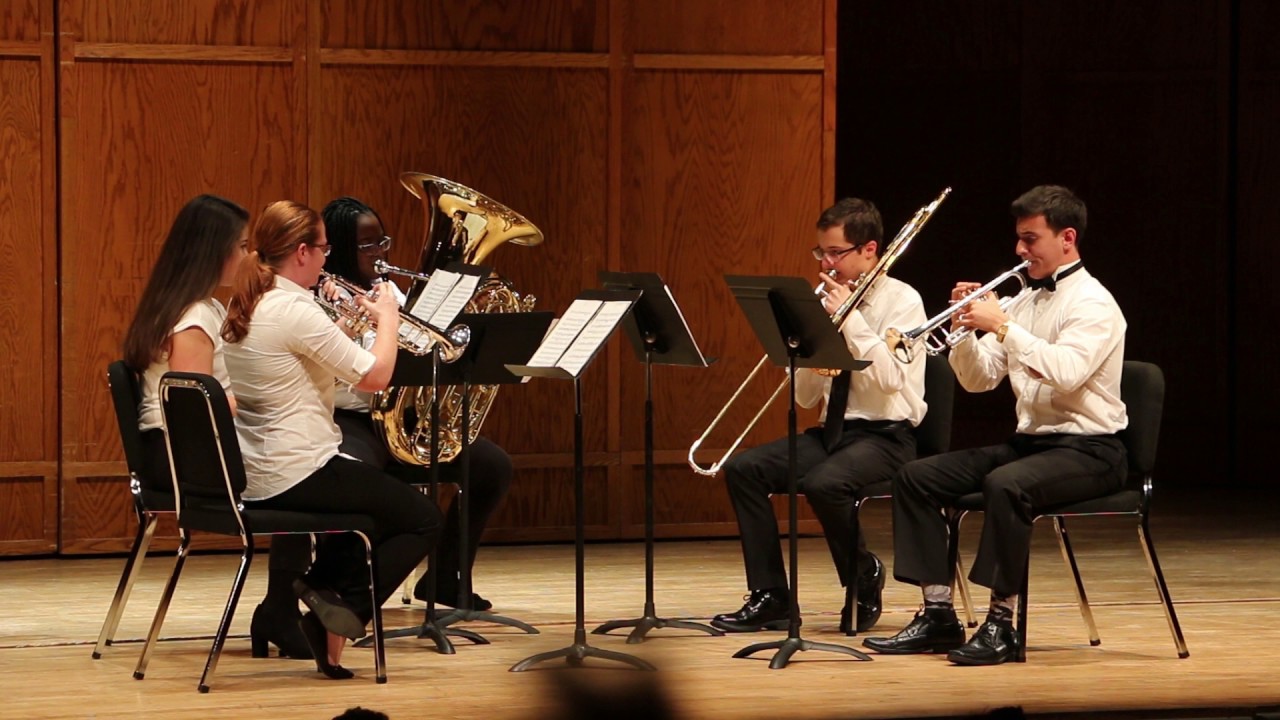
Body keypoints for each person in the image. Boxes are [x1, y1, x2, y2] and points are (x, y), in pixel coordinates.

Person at [863, 185, 1127, 666]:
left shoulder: (1095, 303)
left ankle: (1002, 625)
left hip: (1093, 451)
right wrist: (965, 331)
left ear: (1067, 238)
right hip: (1032, 445)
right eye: (1019, 239)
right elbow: (978, 380)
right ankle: (939, 612)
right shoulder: (1024, 301)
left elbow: (1066, 372)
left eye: (1030, 239)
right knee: (916, 476)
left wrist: (1002, 326)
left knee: (1005, 484)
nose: (1019, 251)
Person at [221, 200, 440, 679]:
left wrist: (346, 325)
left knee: (365, 514)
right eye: (322, 249)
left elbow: (300, 357)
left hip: (259, 466)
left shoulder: (253, 302)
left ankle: (323, 596)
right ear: (301, 252)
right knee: (423, 519)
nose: (327, 258)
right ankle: (340, 610)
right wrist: (386, 317)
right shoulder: (294, 310)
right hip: (299, 468)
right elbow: (376, 376)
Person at [711, 197, 928, 634]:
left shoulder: (904, 302)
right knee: (744, 469)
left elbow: (890, 381)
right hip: (833, 433)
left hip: (886, 436)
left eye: (836, 253)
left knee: (825, 483)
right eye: (821, 252)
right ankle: (771, 596)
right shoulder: (821, 303)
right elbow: (809, 398)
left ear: (870, 250)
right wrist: (805, 349)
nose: (826, 263)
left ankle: (862, 575)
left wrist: (847, 324)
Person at [123, 195, 319, 660]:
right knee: (306, 473)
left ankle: (282, 609)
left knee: (304, 465)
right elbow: (199, 411)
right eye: (241, 245)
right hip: (184, 460)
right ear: (216, 250)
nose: (248, 255)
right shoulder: (193, 319)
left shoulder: (194, 306)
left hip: (185, 451)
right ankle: (283, 611)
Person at [321, 196, 513, 611]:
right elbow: (342, 374)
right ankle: (340, 588)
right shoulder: (321, 297)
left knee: (492, 465)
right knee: (353, 475)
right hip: (349, 420)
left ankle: (445, 576)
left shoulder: (389, 290)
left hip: (400, 420)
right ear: (335, 248)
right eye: (367, 246)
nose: (380, 254)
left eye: (382, 242)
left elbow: (421, 348)